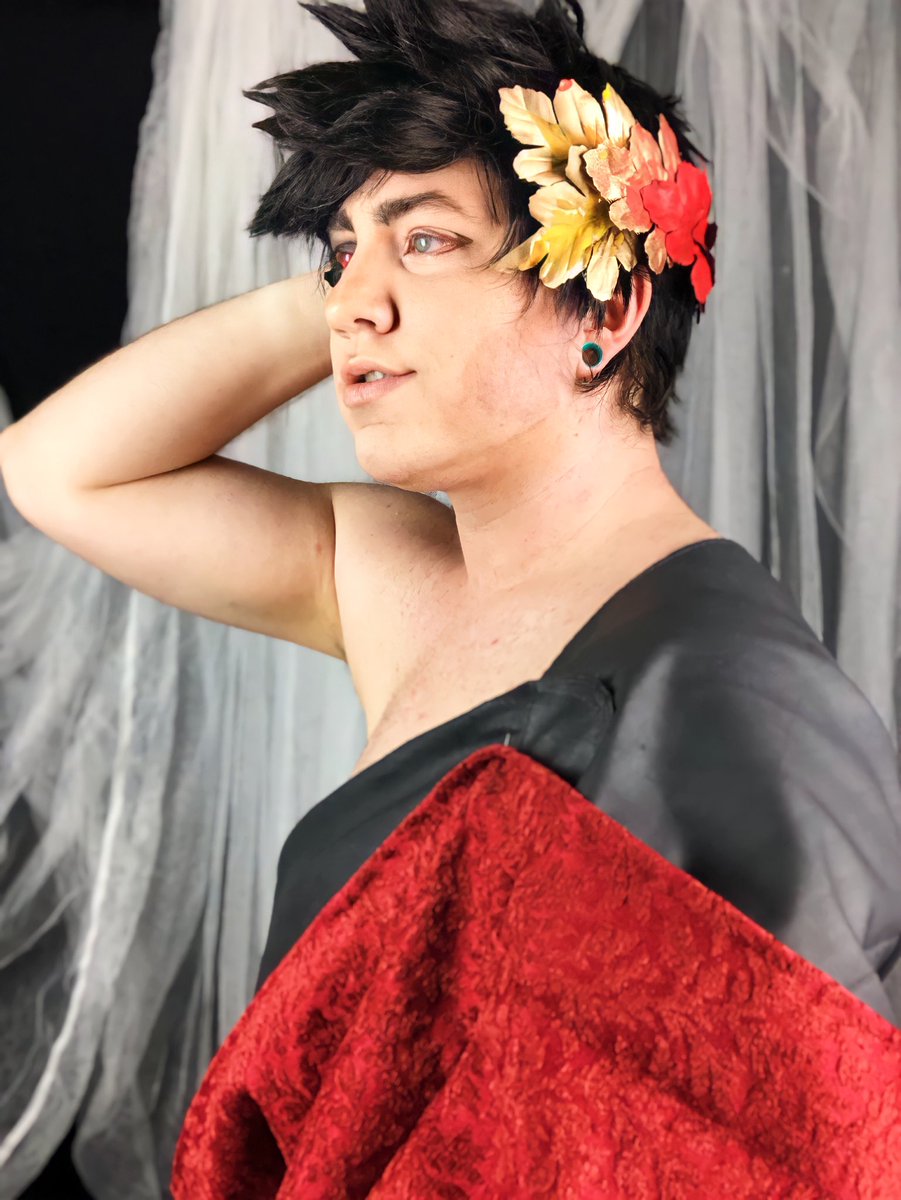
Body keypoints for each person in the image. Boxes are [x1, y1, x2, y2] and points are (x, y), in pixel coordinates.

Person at [2, 0, 901, 1185]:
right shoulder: (399, 575)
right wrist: (364, 277)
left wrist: (378, 276)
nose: (350, 302)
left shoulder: (737, 701)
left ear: (606, 310)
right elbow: (60, 471)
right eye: (338, 253)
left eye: (428, 240)